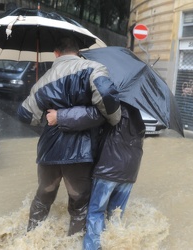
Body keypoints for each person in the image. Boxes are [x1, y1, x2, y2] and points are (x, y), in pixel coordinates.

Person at [17, 37, 121, 236]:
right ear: (77, 51)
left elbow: (25, 114)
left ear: (56, 54)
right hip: (80, 152)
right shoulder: (94, 68)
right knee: (80, 202)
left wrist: (45, 109)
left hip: (48, 150)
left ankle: (30, 238)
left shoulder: (44, 79)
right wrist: (113, 119)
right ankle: (72, 242)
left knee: (44, 195)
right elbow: (107, 98)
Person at [46, 102, 145, 249]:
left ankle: (92, 247)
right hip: (130, 173)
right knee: (116, 216)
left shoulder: (112, 106)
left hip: (108, 169)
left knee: (95, 213)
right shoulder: (137, 114)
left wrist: (59, 116)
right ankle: (118, 245)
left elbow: (87, 117)